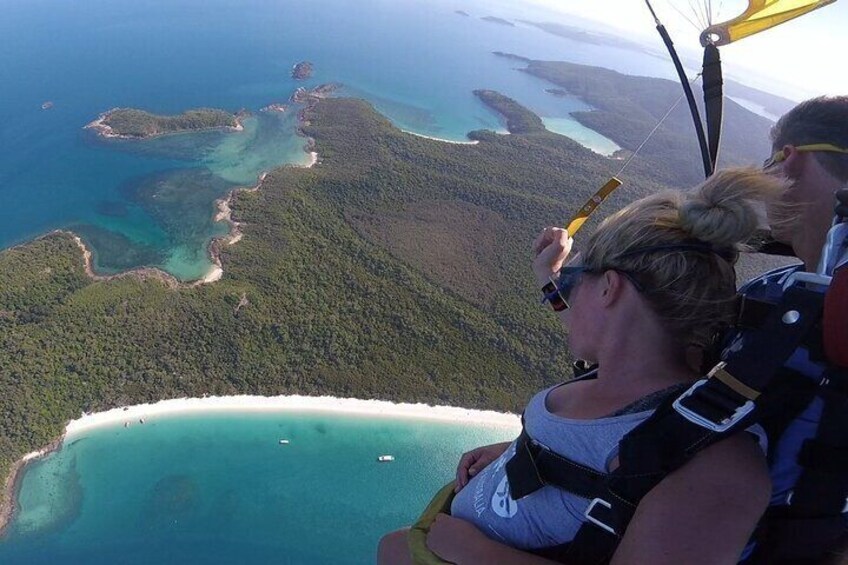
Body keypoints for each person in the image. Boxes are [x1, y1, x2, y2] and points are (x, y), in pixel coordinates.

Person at [377, 167, 789, 564]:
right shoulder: (617, 372)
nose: (567, 300)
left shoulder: (715, 463)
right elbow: (603, 465)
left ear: (609, 288)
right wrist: (522, 453)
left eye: (577, 282)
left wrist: (477, 553)